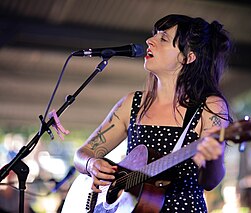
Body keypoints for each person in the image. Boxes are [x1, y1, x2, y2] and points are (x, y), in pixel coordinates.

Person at [73, 14, 233, 212]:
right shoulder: (133, 103)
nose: (149, 41)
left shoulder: (211, 107)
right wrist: (92, 164)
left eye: (163, 39)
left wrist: (213, 159)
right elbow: (82, 154)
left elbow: (211, 182)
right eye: (154, 36)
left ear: (188, 57)